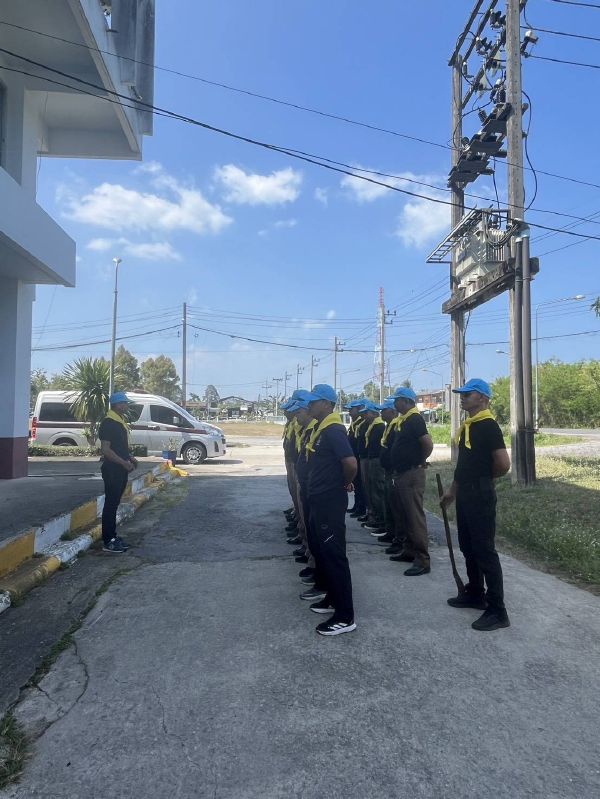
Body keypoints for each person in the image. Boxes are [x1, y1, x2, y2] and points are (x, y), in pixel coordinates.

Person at [440, 378, 511, 632]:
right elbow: (464, 466)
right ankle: (475, 593)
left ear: (482, 398)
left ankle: (497, 610)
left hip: (480, 494)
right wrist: (452, 491)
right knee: (468, 546)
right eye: (462, 394)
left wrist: (482, 479)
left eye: (468, 394)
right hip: (465, 494)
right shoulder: (469, 426)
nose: (462, 398)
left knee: (484, 550)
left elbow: (503, 464)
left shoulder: (488, 425)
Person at [301, 384, 358, 636]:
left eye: (314, 402)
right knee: (323, 552)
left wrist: (343, 483)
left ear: (326, 404)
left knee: (334, 556)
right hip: (319, 499)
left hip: (329, 501)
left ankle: (345, 616)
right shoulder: (322, 429)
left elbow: (350, 463)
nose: (309, 405)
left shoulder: (334, 430)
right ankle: (333, 599)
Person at [389, 387, 433, 576]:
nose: (394, 403)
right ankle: (409, 551)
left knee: (414, 517)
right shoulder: (405, 420)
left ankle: (422, 560)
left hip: (411, 473)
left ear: (406, 401)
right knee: (405, 515)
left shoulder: (415, 419)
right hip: (402, 473)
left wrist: (420, 460)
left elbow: (427, 443)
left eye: (397, 400)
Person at [98, 392, 138, 554]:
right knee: (110, 504)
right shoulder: (108, 423)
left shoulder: (119, 421)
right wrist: (123, 462)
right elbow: (106, 450)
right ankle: (108, 541)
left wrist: (130, 458)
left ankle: (113, 536)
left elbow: (119, 446)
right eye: (124, 403)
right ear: (116, 405)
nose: (126, 406)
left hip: (120, 469)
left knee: (114, 504)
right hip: (112, 469)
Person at [360, 401, 386, 533]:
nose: (364, 415)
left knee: (377, 491)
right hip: (371, 459)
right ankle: (374, 516)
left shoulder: (380, 426)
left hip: (376, 461)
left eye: (367, 413)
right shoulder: (372, 426)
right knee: (371, 489)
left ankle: (380, 519)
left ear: (374, 414)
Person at [375, 398, 399, 545]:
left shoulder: (397, 426)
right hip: (388, 469)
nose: (381, 413)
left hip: (394, 470)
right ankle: (390, 531)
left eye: (384, 410)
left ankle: (395, 535)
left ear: (393, 412)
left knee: (395, 504)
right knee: (388, 501)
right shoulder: (389, 426)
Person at [345, 400, 367, 517]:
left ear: (359, 409)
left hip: (358, 457)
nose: (349, 412)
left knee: (360, 484)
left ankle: (361, 507)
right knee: (357, 483)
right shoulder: (355, 423)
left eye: (351, 409)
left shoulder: (361, 423)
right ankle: (357, 505)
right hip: (354, 456)